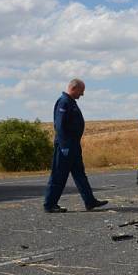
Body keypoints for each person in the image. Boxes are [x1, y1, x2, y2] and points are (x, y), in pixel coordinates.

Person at [43, 79, 108, 213]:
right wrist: (64, 145)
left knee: (80, 174)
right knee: (58, 175)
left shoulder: (70, 102)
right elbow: (59, 126)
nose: (82, 94)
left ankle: (90, 201)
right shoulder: (63, 101)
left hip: (73, 145)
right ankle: (49, 205)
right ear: (74, 88)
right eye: (81, 91)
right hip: (65, 146)